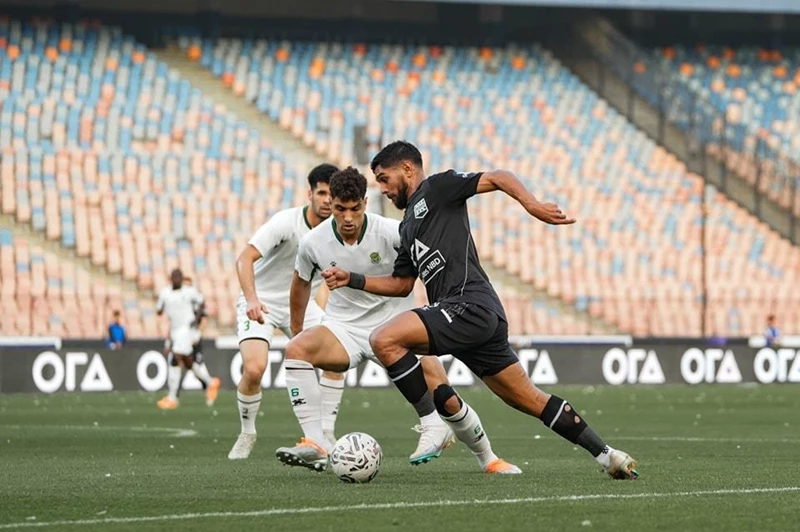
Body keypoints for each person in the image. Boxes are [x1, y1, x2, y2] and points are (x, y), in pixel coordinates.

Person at [322, 141, 639, 480]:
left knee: (383, 339)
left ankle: (432, 424)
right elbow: (401, 284)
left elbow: (499, 177)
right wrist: (352, 279)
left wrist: (532, 205)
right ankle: (607, 456)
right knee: (528, 399)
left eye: (384, 179)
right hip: (469, 317)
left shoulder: (439, 187)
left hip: (469, 304)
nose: (382, 189)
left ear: (408, 169)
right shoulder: (406, 227)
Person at [276, 167, 520, 474]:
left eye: (355, 209)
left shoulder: (393, 231)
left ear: (365, 203)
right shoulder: (313, 242)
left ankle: (489, 458)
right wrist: (298, 330)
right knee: (296, 349)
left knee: (444, 397)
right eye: (340, 209)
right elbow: (300, 283)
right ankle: (315, 442)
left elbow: (424, 266)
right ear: (331, 206)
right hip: (344, 329)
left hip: (397, 327)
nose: (348, 218)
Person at [228, 163, 345, 460]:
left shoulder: (338, 231)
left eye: (332, 194)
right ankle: (247, 432)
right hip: (262, 301)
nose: (327, 200)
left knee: (337, 357)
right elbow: (244, 258)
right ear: (310, 193)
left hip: (303, 305)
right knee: (254, 369)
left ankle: (326, 432)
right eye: (321, 193)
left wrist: (325, 305)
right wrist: (252, 299)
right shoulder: (286, 222)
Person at [155, 268, 206, 410]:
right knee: (187, 362)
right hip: (175, 331)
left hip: (186, 329)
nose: (177, 279)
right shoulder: (165, 293)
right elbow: (158, 310)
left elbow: (202, 303)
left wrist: (196, 319)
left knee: (175, 357)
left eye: (179, 277)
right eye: (174, 277)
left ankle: (172, 398)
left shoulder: (189, 291)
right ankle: (208, 382)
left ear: (182, 278)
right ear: (170, 278)